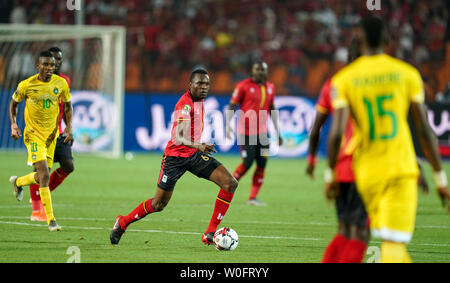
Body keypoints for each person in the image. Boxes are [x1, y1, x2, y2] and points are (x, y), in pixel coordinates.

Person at [327, 15, 450, 263]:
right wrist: (440, 177)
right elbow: (425, 130)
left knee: (377, 238)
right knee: (393, 243)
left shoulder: (344, 79)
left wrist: (331, 175)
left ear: (359, 39)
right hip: (400, 170)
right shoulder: (406, 74)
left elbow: (336, 134)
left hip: (365, 173)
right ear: (387, 40)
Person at [110, 67, 238, 245]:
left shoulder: (200, 101)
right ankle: (122, 222)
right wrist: (199, 145)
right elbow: (177, 137)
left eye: (207, 84)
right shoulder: (185, 104)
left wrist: (197, 147)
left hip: (193, 155)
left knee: (229, 183)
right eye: (200, 83)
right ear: (190, 85)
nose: (204, 87)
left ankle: (209, 233)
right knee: (158, 205)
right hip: (175, 158)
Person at [307, 39, 369, 263]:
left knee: (344, 229)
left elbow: (318, 131)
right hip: (366, 166)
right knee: (361, 232)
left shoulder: (333, 83)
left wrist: (316, 162)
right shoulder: (373, 83)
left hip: (341, 167)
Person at [9, 50, 73, 232]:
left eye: (52, 65)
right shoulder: (26, 85)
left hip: (51, 137)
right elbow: (13, 104)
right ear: (37, 66)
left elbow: (68, 105)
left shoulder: (60, 84)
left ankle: (19, 182)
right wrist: (14, 125)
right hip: (33, 135)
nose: (49, 68)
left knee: (40, 177)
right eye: (45, 65)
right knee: (44, 175)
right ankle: (51, 220)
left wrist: (69, 127)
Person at [226, 60, 283, 206]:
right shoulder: (243, 86)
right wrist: (228, 125)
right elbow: (232, 106)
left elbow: (272, 109)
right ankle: (227, 185)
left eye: (262, 69)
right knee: (247, 162)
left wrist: (278, 132)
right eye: (257, 69)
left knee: (262, 164)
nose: (260, 72)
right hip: (246, 132)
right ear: (252, 71)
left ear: (266, 72)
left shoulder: (270, 87)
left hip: (263, 134)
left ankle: (252, 198)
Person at [28, 46, 74, 222]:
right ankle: (36, 209)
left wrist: (69, 128)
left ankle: (41, 191)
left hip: (58, 132)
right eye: (52, 59)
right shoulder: (35, 83)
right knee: (40, 170)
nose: (55, 63)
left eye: (59, 60)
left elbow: (66, 107)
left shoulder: (64, 81)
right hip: (40, 133)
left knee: (68, 165)